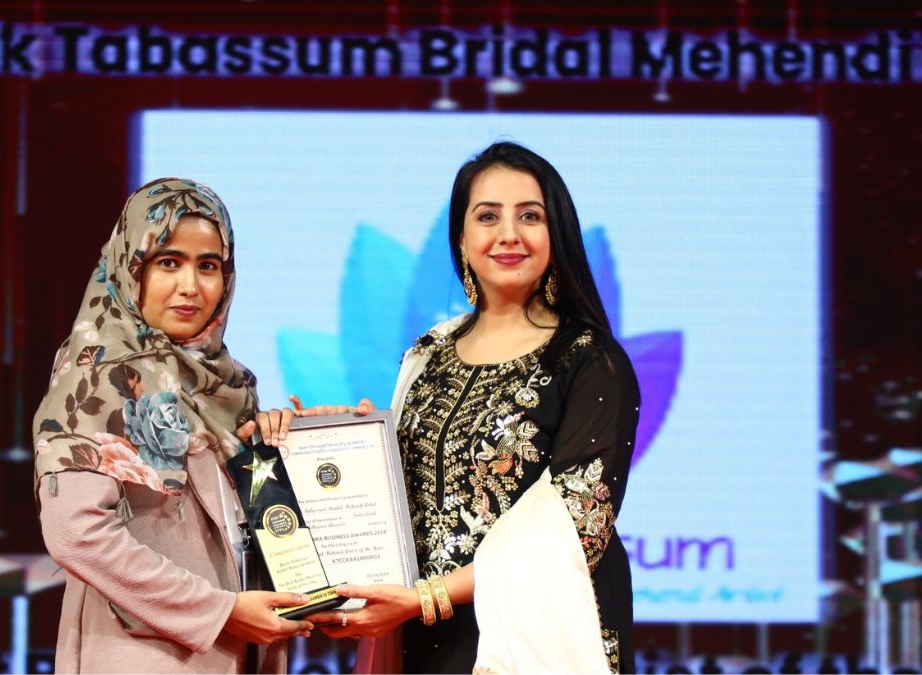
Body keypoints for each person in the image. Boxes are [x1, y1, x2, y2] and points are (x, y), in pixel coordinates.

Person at [305, 142, 640, 674]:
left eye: (530, 216)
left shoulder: (589, 360)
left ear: (556, 233)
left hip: (532, 639)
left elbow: (578, 528)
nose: (508, 234)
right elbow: (402, 498)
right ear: (462, 239)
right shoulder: (427, 352)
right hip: (420, 635)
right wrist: (342, 442)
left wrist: (428, 597)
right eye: (487, 216)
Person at [33, 177, 314, 674]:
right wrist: (218, 612)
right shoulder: (100, 375)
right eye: (168, 262)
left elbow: (251, 533)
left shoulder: (229, 388)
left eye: (208, 266)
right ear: (131, 268)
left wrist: (310, 443)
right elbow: (75, 532)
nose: (190, 286)